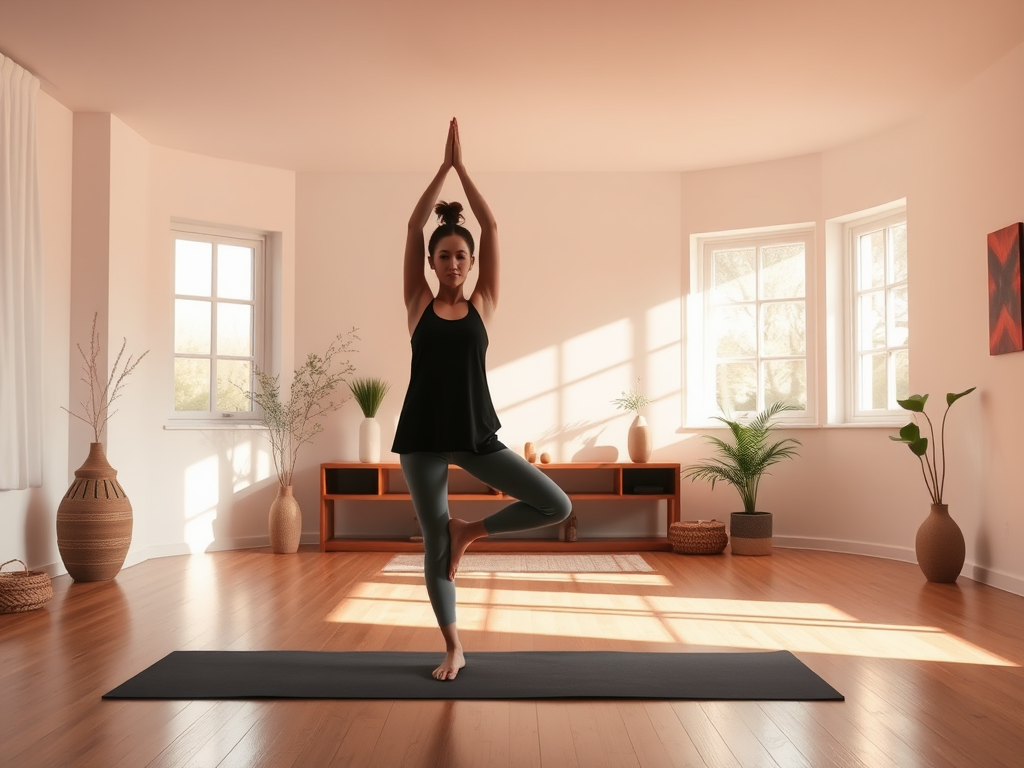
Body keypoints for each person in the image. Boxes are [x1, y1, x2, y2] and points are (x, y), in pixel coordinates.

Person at [392, 118, 572, 681]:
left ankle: (474, 530)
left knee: (556, 505)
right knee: (433, 541)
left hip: (474, 435)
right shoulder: (417, 302)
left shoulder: (483, 304)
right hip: (421, 438)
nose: (451, 263)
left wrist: (461, 170)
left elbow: (489, 224)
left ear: (470, 265)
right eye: (442, 255)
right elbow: (411, 225)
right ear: (432, 262)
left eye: (459, 257)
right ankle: (453, 646)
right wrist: (438, 171)